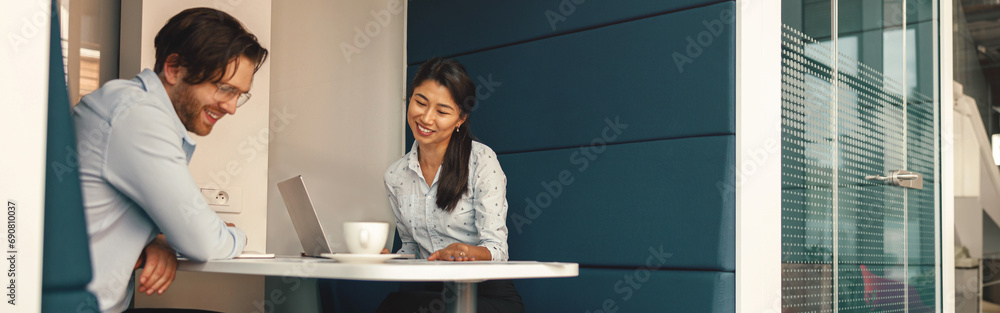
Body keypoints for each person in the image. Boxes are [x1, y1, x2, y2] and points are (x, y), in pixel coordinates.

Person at [73, 7, 268, 312]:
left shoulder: (134, 108)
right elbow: (202, 241)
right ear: (175, 68)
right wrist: (238, 237)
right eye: (225, 89)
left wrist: (158, 239)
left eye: (239, 95)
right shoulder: (137, 116)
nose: (231, 107)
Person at [376, 58, 523, 312]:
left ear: (460, 119)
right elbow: (411, 248)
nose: (426, 118)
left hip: (488, 296)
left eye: (442, 111)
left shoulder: (481, 160)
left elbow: (497, 250)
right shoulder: (395, 175)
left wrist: (465, 251)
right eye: (420, 102)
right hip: (435, 293)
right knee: (393, 306)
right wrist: (387, 259)